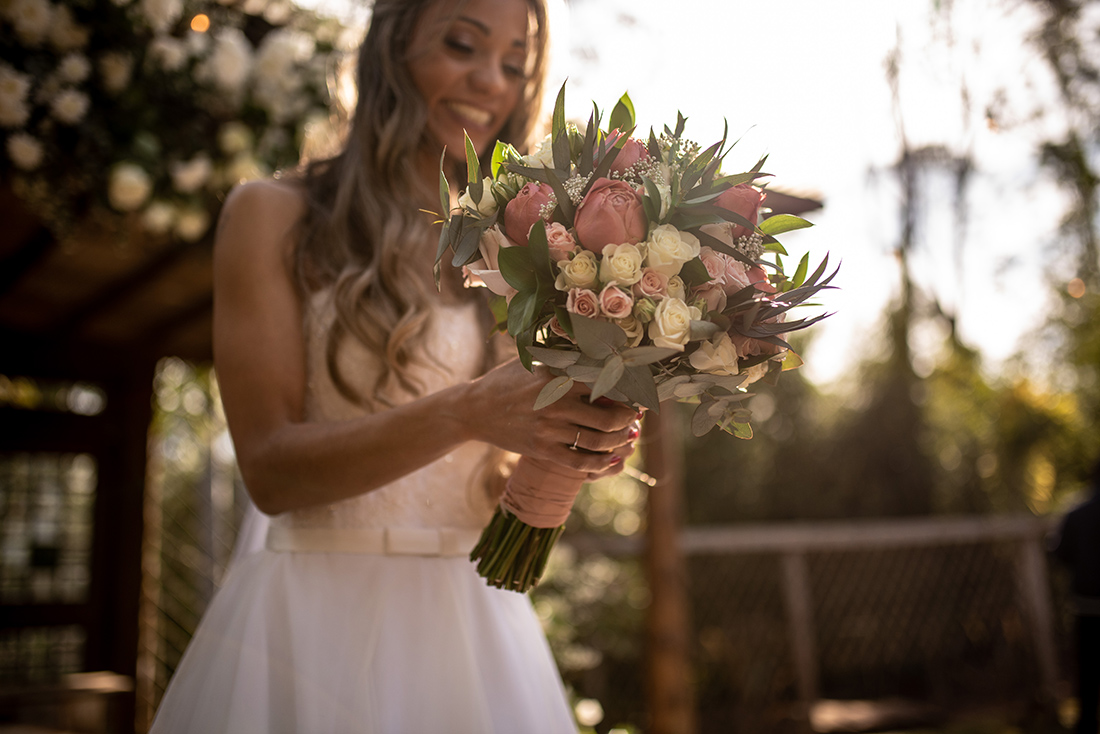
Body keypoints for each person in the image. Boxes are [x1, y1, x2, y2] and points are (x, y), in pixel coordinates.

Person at [148, 0, 640, 731]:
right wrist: (467, 409)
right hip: (308, 625)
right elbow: (270, 471)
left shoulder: (521, 251)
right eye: (464, 44)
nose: (491, 81)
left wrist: (566, 446)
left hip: (474, 630)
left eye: (514, 62)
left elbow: (490, 479)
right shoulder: (269, 214)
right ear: (391, 47)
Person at [1051, 457, 1100, 734]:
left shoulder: (1077, 512)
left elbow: (1061, 554)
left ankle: (1087, 723)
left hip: (1087, 607)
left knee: (1088, 671)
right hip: (1087, 605)